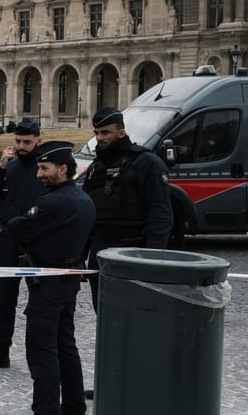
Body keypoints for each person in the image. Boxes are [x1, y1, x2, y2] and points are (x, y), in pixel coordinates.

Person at [80, 107, 172, 401]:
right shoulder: (96, 166)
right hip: (102, 256)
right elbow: (88, 213)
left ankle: (140, 383)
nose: (99, 138)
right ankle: (111, 380)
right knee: (107, 324)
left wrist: (153, 260)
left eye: (105, 133)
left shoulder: (146, 163)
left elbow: (161, 214)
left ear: (121, 131)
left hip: (133, 255)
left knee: (138, 326)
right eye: (96, 133)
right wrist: (80, 256)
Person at [5, 141, 95, 415]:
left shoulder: (52, 203)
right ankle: (74, 407)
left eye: (44, 168)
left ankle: (45, 409)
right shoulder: (84, 199)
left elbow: (16, 229)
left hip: (48, 285)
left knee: (42, 351)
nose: (39, 174)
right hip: (68, 281)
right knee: (66, 345)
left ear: (63, 168)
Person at [0, 118, 45, 370]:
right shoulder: (10, 166)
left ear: (39, 140)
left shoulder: (45, 167)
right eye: (18, 141)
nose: (22, 146)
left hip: (35, 243)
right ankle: (0, 350)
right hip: (7, 241)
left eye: (27, 142)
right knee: (5, 300)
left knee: (39, 303)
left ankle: (39, 354)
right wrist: (0, 167)